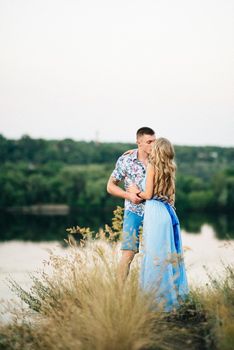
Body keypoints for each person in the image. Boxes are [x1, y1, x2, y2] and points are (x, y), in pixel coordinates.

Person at [127, 137, 189, 311]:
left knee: (154, 256)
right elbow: (171, 197)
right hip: (167, 212)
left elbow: (147, 194)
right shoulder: (171, 168)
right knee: (167, 255)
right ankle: (170, 297)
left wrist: (134, 191)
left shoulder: (152, 167)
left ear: (157, 151)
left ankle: (155, 303)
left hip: (154, 212)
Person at [107, 127, 156, 283]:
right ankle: (118, 294)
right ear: (139, 142)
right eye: (149, 142)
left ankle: (155, 296)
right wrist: (128, 195)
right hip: (133, 211)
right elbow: (110, 186)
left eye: (154, 141)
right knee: (128, 254)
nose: (153, 145)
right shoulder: (125, 160)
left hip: (155, 212)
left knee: (156, 255)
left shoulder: (159, 159)